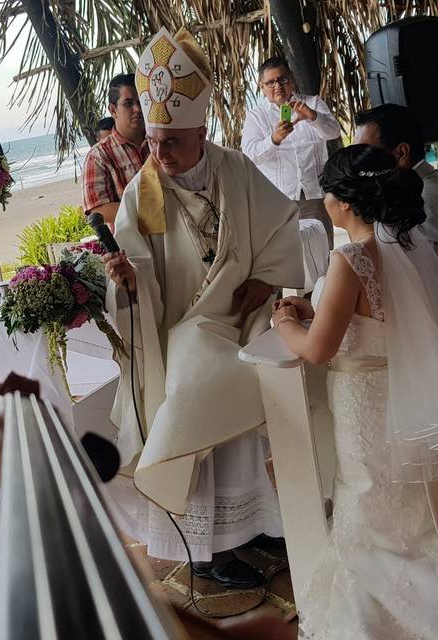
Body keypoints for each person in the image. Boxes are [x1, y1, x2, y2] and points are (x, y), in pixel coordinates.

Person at [103, 28, 304, 587]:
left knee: (244, 418)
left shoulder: (234, 168)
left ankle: (252, 523)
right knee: (198, 386)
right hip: (179, 329)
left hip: (238, 318)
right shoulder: (142, 193)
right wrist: (127, 282)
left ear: (203, 130)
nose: (159, 153)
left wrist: (266, 279)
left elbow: (281, 224)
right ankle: (204, 549)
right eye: (154, 140)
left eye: (173, 142)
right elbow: (141, 269)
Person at [272, 145, 438, 639]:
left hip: (363, 407)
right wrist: (318, 308)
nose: (322, 198)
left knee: (368, 512)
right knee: (408, 516)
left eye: (325, 189)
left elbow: (318, 349)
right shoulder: (412, 248)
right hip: (402, 400)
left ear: (343, 201)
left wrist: (284, 321)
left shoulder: (350, 259)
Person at [241, 57, 341, 246]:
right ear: (262, 87)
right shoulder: (256, 117)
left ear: (291, 80)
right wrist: (274, 139)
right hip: (278, 199)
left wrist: (313, 117)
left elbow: (333, 132)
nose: (277, 85)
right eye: (270, 82)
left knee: (322, 248)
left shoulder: (312, 102)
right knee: (286, 255)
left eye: (282, 79)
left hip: (313, 195)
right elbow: (250, 155)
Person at [353, 103, 438, 250]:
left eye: (365, 153)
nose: (358, 162)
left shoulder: (428, 193)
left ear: (402, 153)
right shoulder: (408, 190)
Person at [83, 74, 148, 223]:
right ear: (113, 110)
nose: (137, 109)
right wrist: (149, 211)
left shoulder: (159, 142)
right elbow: (97, 210)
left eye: (141, 102)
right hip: (131, 243)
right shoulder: (99, 156)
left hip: (175, 237)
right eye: (128, 103)